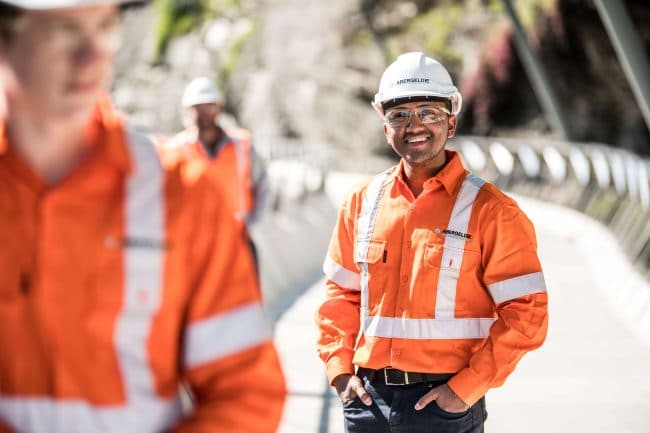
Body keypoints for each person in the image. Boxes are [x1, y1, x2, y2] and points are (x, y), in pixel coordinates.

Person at [0, 1, 286, 432]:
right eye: (65, 30)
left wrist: (245, 226)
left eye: (105, 27)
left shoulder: (180, 194)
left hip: (234, 238)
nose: (92, 55)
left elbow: (246, 390)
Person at [316, 52, 549, 433]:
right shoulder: (362, 201)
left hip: (443, 406)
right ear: (385, 124)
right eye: (400, 115)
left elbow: (528, 314)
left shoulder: (493, 211)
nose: (414, 125)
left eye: (429, 112)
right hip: (366, 402)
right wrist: (340, 371)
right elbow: (340, 295)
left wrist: (464, 390)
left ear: (451, 123)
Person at [162, 77, 269, 229]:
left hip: (235, 239)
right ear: (188, 110)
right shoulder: (175, 149)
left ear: (219, 107)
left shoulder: (242, 145)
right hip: (193, 240)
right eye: (199, 107)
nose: (205, 112)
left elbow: (262, 186)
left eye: (209, 106)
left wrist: (251, 226)